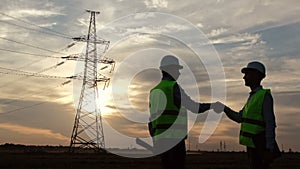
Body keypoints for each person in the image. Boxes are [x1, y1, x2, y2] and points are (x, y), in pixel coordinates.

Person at [148, 55, 214, 169]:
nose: (179, 73)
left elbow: (151, 121)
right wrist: (212, 105)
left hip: (160, 141)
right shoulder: (173, 87)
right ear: (169, 70)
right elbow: (194, 107)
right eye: (177, 69)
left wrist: (155, 139)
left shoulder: (154, 91)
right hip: (174, 140)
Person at [214, 61, 280, 169]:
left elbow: (270, 123)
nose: (244, 77)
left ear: (256, 75)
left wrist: (269, 149)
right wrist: (224, 108)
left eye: (247, 74)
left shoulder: (264, 96)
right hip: (252, 145)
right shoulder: (253, 97)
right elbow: (240, 118)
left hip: (260, 146)